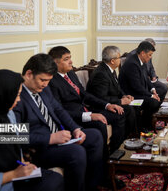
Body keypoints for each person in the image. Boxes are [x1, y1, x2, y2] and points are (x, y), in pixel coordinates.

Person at [0, 69, 64, 191]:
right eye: (17, 95)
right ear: (2, 96)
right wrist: (13, 174)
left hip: (15, 174)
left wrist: (23, 164)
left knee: (55, 178)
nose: (19, 100)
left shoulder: (8, 114)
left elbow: (16, 140)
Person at [13, 54, 104, 191]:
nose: (45, 84)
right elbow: (16, 134)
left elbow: (59, 110)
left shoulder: (43, 88)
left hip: (59, 136)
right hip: (40, 148)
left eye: (48, 80)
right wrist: (50, 138)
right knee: (76, 152)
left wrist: (75, 129)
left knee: (95, 136)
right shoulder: (16, 98)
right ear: (29, 74)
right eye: (42, 80)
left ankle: (92, 185)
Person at [47, 46, 126, 153]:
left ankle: (115, 155)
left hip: (83, 112)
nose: (71, 62)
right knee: (98, 128)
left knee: (118, 114)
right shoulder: (49, 83)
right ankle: (105, 161)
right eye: (66, 59)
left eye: (70, 58)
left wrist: (107, 105)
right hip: (71, 121)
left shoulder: (69, 73)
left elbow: (83, 95)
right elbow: (59, 112)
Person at [86, 45, 137, 138]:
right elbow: (101, 98)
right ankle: (122, 141)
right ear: (112, 61)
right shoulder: (101, 74)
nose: (120, 60)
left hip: (110, 101)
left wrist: (124, 96)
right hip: (99, 107)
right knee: (127, 110)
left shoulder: (110, 69)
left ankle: (130, 137)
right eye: (119, 57)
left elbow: (117, 87)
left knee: (132, 108)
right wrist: (120, 101)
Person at [119, 41, 161, 131]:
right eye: (149, 55)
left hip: (138, 91)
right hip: (131, 95)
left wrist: (153, 90)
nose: (150, 57)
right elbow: (136, 86)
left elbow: (147, 78)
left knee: (158, 96)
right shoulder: (132, 64)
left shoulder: (141, 61)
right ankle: (143, 127)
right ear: (142, 53)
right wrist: (151, 95)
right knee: (153, 102)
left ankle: (148, 124)